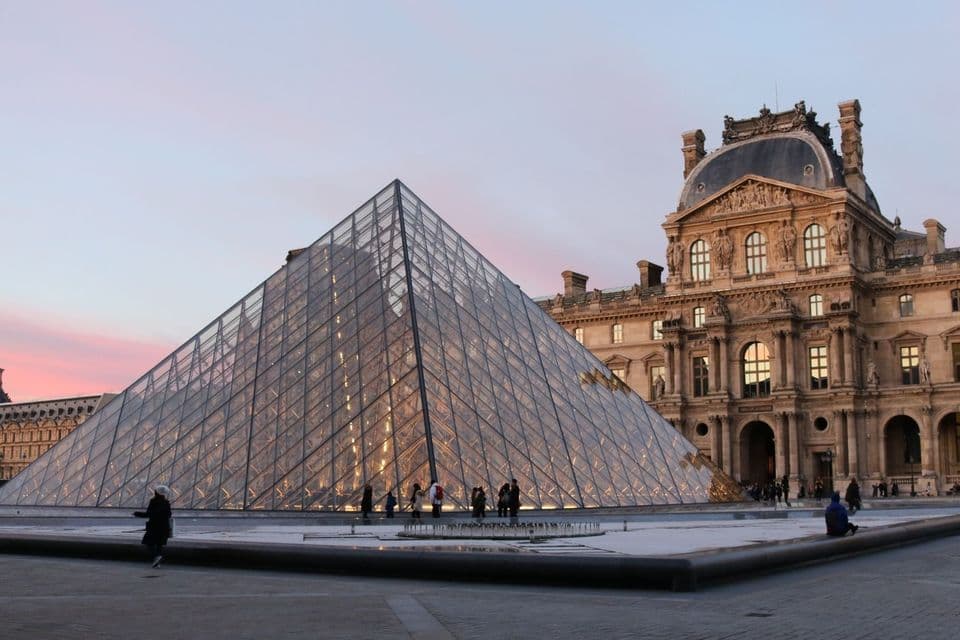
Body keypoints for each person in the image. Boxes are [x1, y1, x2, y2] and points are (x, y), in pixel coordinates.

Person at [134, 485, 172, 568]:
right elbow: (169, 515)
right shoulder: (166, 502)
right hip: (164, 527)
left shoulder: (153, 501)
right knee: (159, 544)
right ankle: (157, 562)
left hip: (154, 526)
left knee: (148, 543)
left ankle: (157, 557)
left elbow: (149, 514)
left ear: (156, 492)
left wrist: (137, 513)